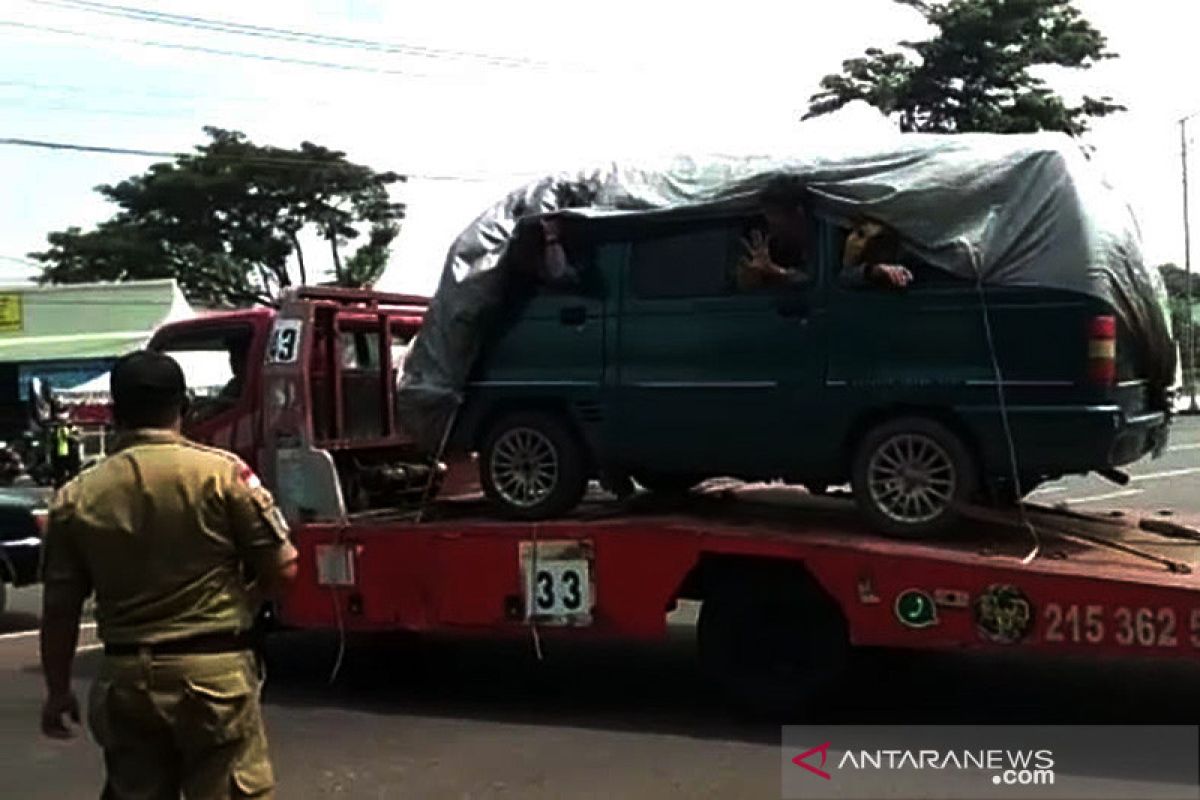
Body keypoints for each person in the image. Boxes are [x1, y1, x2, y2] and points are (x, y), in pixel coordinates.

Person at [39, 349, 298, 799]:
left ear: (115, 413)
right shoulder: (223, 476)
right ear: (186, 408)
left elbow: (59, 610)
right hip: (214, 678)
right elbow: (284, 566)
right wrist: (246, 600)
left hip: (125, 682)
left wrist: (58, 691)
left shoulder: (75, 496)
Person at [737, 174, 914, 291]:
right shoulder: (778, 245)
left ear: (798, 213)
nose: (773, 227)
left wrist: (876, 271)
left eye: (776, 219)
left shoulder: (836, 233)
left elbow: (835, 279)